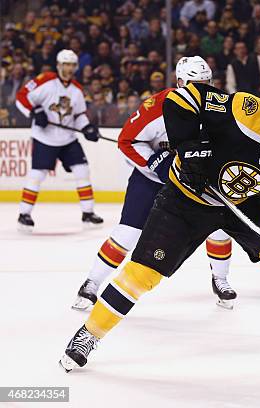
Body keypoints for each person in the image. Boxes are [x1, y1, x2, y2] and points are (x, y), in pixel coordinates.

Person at [60, 86, 260, 372]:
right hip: (185, 199)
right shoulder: (246, 110)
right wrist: (188, 149)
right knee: (141, 275)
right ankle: (89, 334)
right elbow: (182, 98)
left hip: (240, 203)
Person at [71, 56, 237, 310]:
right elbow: (126, 140)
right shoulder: (157, 106)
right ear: (181, 83)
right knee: (128, 233)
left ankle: (220, 279)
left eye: (207, 83)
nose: (203, 89)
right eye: (196, 84)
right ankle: (91, 283)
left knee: (218, 228)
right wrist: (154, 161)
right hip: (151, 180)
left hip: (192, 181)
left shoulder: (217, 108)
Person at [15, 49, 102, 232]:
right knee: (37, 175)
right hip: (44, 138)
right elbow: (21, 97)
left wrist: (86, 128)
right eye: (66, 64)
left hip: (68, 139)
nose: (69, 69)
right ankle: (24, 213)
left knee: (82, 170)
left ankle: (88, 212)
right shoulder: (45, 80)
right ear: (59, 65)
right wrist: (34, 112)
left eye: (72, 65)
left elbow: (79, 115)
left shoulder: (77, 90)